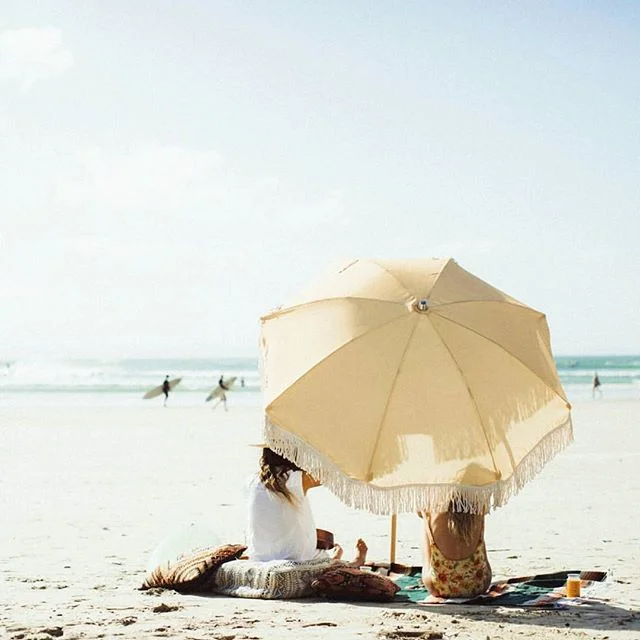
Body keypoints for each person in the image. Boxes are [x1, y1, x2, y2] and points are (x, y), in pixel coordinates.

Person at [246, 447, 367, 565]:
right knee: (321, 557)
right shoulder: (292, 479)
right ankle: (354, 563)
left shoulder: (252, 481)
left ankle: (335, 558)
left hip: (259, 558)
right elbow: (334, 472)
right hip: (297, 560)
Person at [418, 503, 492, 598]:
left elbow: (419, 513)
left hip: (438, 587)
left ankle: (430, 568)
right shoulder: (478, 504)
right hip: (479, 584)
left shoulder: (433, 507)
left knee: (425, 520)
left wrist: (425, 511)